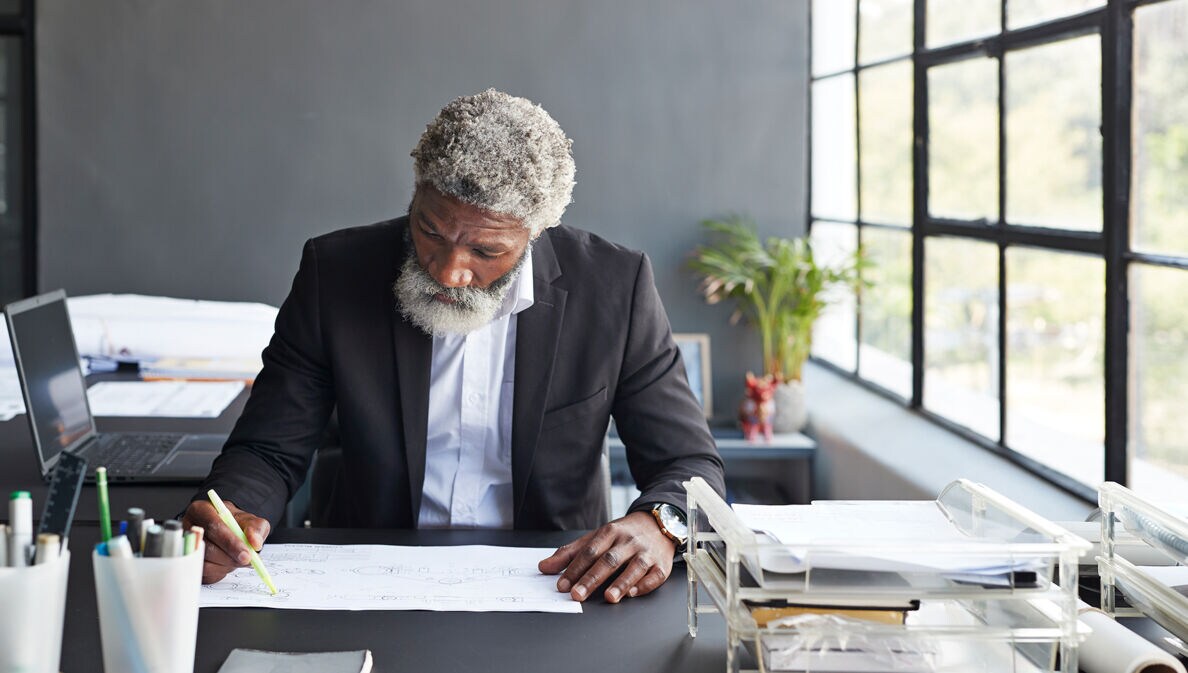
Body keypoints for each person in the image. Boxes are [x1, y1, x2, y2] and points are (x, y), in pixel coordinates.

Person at [182, 88, 725, 604]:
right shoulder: (336, 273)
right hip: (369, 575)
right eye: (430, 231)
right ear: (416, 194)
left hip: (554, 580)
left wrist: (661, 524)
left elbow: (688, 462)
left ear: (536, 232)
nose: (448, 271)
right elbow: (267, 449)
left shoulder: (614, 288)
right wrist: (231, 512)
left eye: (485, 251)